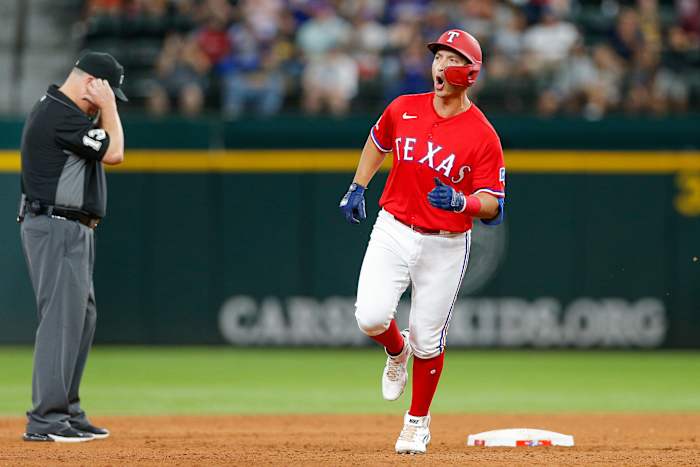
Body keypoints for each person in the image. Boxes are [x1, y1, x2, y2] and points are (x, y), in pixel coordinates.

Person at [339, 29, 506, 454]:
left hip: (445, 244)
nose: (440, 66)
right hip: (393, 226)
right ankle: (397, 352)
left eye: (451, 59)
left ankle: (417, 423)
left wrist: (462, 201)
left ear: (468, 73)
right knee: (371, 317)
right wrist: (358, 186)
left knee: (430, 340)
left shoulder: (482, 134)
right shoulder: (404, 108)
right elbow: (378, 142)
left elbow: (493, 205)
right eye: (437, 58)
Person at [18, 51, 126, 442]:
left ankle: (68, 410)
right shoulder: (59, 114)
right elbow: (114, 152)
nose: (110, 99)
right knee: (62, 322)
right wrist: (109, 107)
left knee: (80, 318)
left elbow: (101, 146)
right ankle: (47, 420)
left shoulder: (63, 113)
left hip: (69, 227)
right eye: (108, 90)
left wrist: (104, 107)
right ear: (92, 83)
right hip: (56, 225)